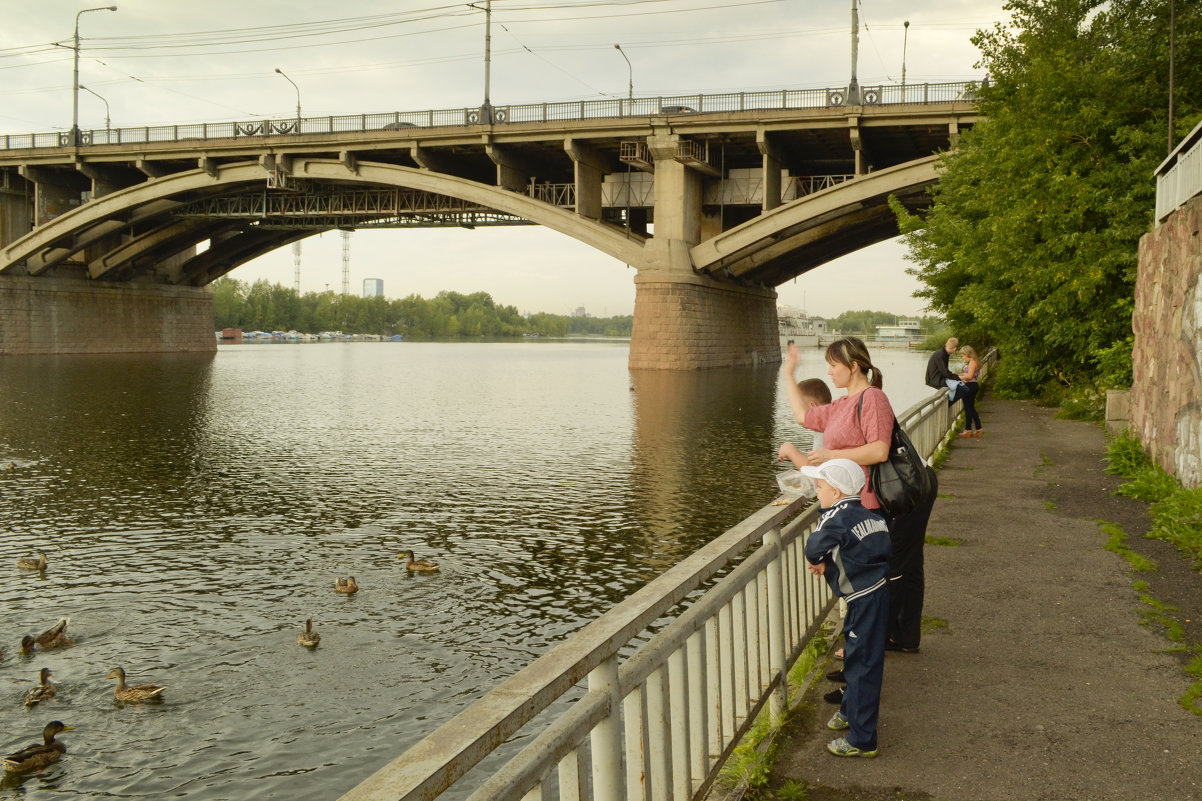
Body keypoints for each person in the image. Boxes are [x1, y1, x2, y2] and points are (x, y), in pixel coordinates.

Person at [779, 336, 936, 653]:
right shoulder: (839, 405)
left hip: (885, 500)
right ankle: (896, 638)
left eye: (834, 365)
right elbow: (801, 417)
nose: (829, 371)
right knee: (900, 567)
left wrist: (833, 456)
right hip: (867, 500)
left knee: (882, 575)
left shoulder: (873, 398)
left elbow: (879, 450)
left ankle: (867, 649)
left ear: (853, 367)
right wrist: (788, 372)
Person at [800, 458, 891, 758]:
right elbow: (868, 552)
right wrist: (831, 565)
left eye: (820, 486)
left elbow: (813, 546)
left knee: (863, 667)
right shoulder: (870, 514)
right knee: (856, 657)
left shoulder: (834, 517)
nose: (817, 490)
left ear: (837, 493)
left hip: (864, 600)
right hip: (875, 594)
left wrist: (819, 561)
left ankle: (863, 740)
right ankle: (849, 711)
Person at [925, 337, 967, 403]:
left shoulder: (944, 353)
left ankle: (948, 402)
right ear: (955, 348)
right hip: (936, 379)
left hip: (939, 378)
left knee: (963, 388)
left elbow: (945, 372)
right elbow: (945, 373)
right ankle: (948, 404)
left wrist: (956, 377)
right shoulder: (941, 355)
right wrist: (958, 378)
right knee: (964, 389)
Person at [796, 377, 833, 449]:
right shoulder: (835, 420)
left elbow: (818, 460)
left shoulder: (823, 432)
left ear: (812, 406)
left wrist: (791, 452)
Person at [957, 345, 983, 438]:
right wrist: (956, 375)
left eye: (963, 355)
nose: (963, 357)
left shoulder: (972, 362)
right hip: (973, 386)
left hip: (970, 386)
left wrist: (958, 377)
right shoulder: (974, 362)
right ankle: (978, 429)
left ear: (967, 354)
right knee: (970, 408)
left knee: (968, 408)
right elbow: (966, 374)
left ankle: (968, 430)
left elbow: (969, 376)